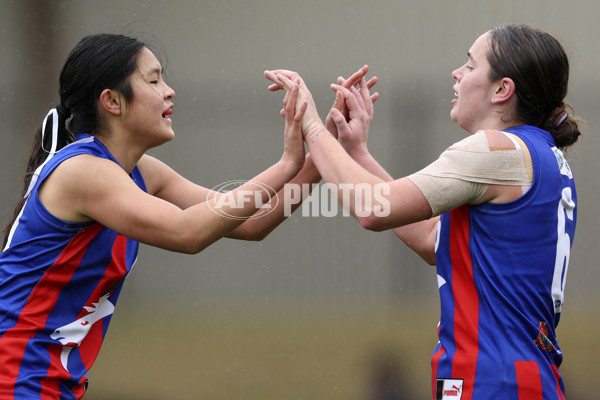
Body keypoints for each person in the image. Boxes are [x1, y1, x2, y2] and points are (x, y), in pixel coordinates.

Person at [0, 33, 373, 399]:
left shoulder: (139, 172)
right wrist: (287, 162)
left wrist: (326, 146)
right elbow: (187, 233)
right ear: (112, 101)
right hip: (15, 381)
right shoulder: (84, 171)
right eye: (153, 80)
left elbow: (252, 221)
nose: (169, 90)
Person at [266, 23, 581, 400]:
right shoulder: (542, 156)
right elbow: (434, 239)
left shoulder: (496, 150)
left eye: (469, 64)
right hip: (519, 376)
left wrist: (312, 125)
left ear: (502, 89)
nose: (457, 73)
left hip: (492, 380)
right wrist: (358, 154)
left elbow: (372, 208)